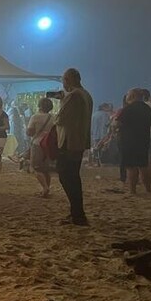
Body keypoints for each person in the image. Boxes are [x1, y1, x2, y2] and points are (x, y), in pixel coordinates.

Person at [54, 68, 93, 226]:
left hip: (69, 141)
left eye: (63, 80)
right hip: (80, 141)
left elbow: (61, 118)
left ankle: (77, 214)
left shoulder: (74, 96)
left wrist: (63, 102)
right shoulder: (86, 95)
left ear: (68, 80)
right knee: (73, 177)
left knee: (66, 176)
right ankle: (76, 212)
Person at [117, 89, 151, 194]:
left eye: (128, 94)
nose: (127, 96)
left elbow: (118, 123)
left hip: (129, 141)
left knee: (131, 166)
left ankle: (133, 190)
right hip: (144, 139)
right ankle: (148, 189)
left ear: (132, 96)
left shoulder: (128, 109)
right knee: (143, 165)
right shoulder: (148, 109)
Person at [26, 97, 55, 198]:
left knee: (35, 168)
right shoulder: (53, 117)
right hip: (49, 145)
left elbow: (30, 132)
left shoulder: (35, 117)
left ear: (39, 106)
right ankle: (46, 189)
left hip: (37, 144)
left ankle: (45, 188)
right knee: (46, 169)